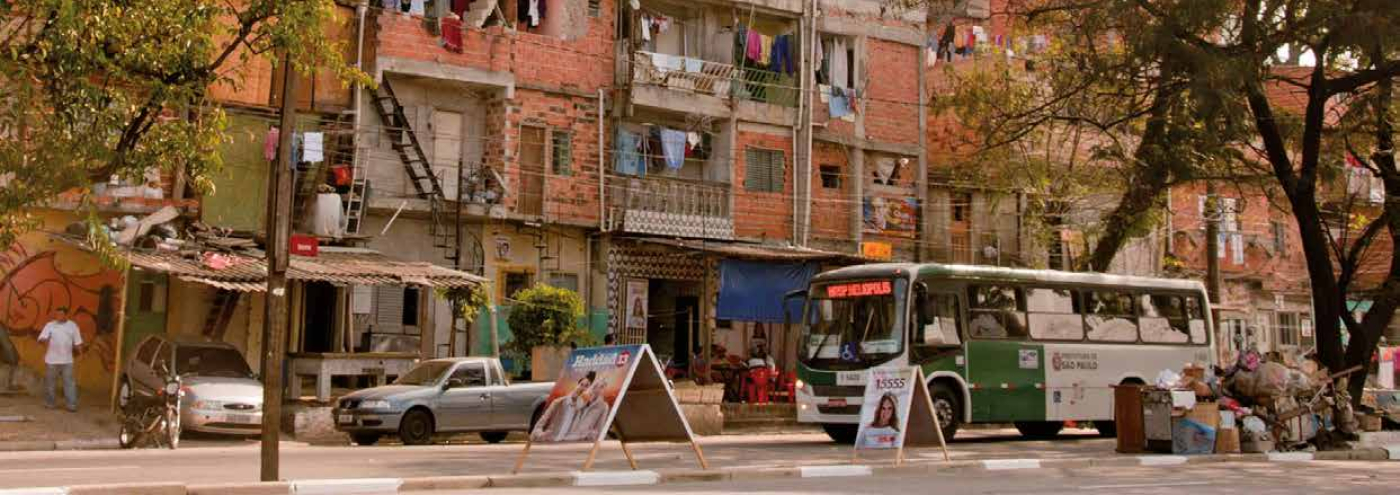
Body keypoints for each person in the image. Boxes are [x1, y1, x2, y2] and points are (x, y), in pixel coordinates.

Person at [37, 307, 83, 412]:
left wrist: (81, 354)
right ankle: (50, 403)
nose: (58, 316)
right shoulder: (50, 325)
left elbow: (78, 341)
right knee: (50, 382)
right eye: (57, 314)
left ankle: (71, 405)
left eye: (61, 315)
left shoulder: (73, 326)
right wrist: (44, 340)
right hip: (51, 360)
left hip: (67, 360)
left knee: (69, 383)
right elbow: (41, 338)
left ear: (66, 315)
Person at [531, 371, 594, 442]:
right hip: (551, 442)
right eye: (581, 384)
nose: (582, 388)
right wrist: (541, 434)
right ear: (577, 385)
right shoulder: (558, 403)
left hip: (568, 445)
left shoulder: (584, 409)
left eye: (586, 386)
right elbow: (539, 425)